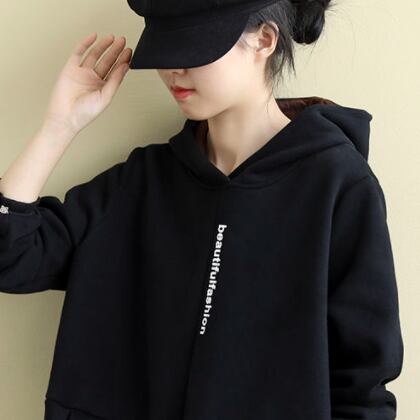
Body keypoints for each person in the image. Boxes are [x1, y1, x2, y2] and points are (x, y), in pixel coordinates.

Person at [0, 1, 404, 419]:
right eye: (166, 50)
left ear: (264, 40)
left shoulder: (337, 185)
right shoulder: (142, 182)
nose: (174, 70)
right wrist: (59, 126)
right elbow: (12, 256)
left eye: (193, 49)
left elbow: (363, 383)